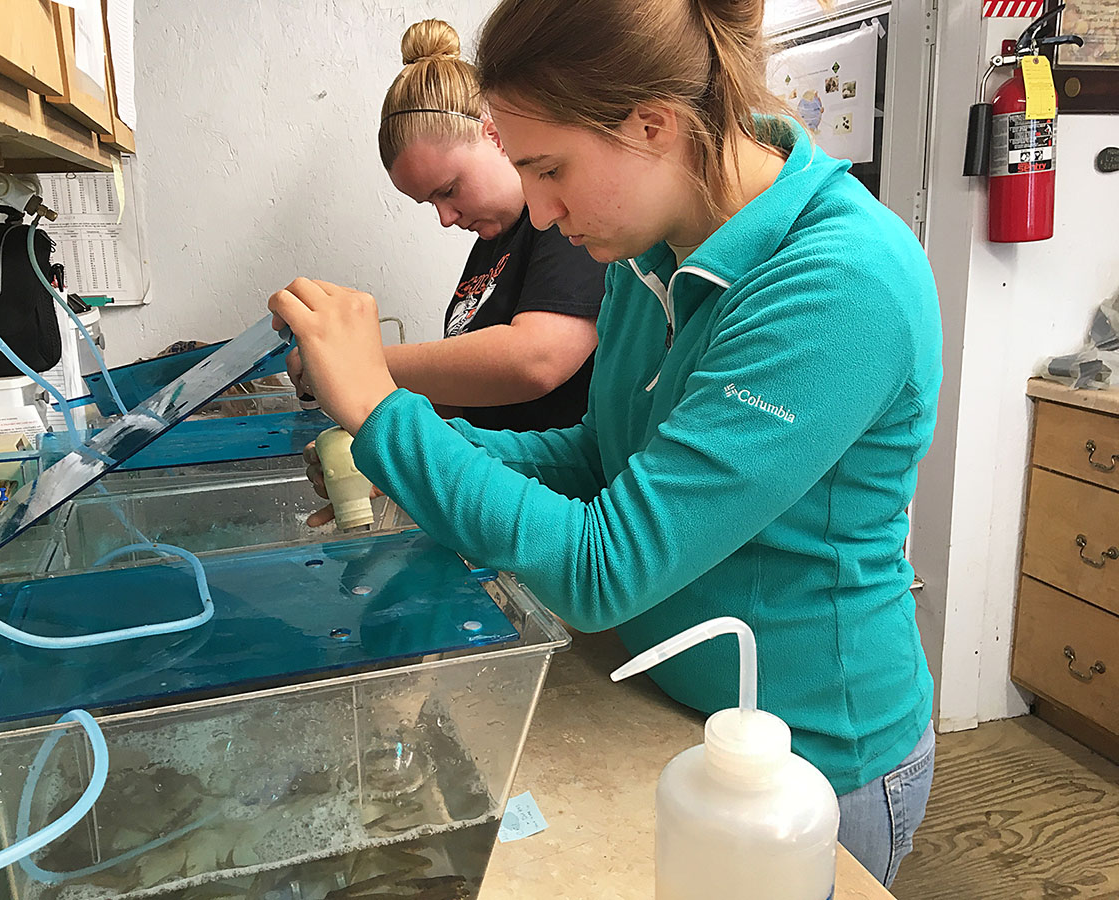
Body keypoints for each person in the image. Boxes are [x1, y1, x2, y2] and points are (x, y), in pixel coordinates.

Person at [270, 0, 941, 886]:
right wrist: (404, 455)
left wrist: (385, 412)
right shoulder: (650, 252)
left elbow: (604, 567)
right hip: (670, 705)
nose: (541, 214)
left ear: (653, 125)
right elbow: (599, 457)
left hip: (803, 760)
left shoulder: (839, 283)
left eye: (550, 169)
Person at [293, 19, 604, 434]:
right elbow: (464, 402)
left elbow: (536, 359)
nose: (444, 218)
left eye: (450, 190)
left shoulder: (564, 226)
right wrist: (380, 452)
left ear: (494, 136)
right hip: (493, 482)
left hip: (560, 491)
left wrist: (351, 360)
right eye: (429, 204)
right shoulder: (489, 247)